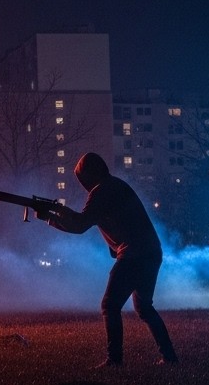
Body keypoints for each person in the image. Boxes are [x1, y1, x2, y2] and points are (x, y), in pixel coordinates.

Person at [45, 152, 177, 369]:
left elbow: (79, 225)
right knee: (144, 308)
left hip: (135, 254)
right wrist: (58, 213)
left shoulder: (101, 191)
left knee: (110, 304)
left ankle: (114, 360)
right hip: (150, 252)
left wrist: (51, 217)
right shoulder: (114, 186)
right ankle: (169, 357)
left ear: (88, 176)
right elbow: (87, 219)